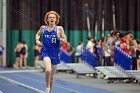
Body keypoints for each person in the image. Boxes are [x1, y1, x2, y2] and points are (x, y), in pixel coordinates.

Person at [35, 11, 67, 93]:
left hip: (55, 54)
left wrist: (60, 39)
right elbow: (38, 34)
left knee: (52, 76)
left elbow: (65, 41)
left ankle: (50, 91)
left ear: (56, 19)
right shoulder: (43, 28)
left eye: (53, 17)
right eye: (50, 17)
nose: (52, 18)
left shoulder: (59, 29)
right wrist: (37, 40)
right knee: (48, 70)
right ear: (47, 19)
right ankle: (47, 87)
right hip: (46, 52)